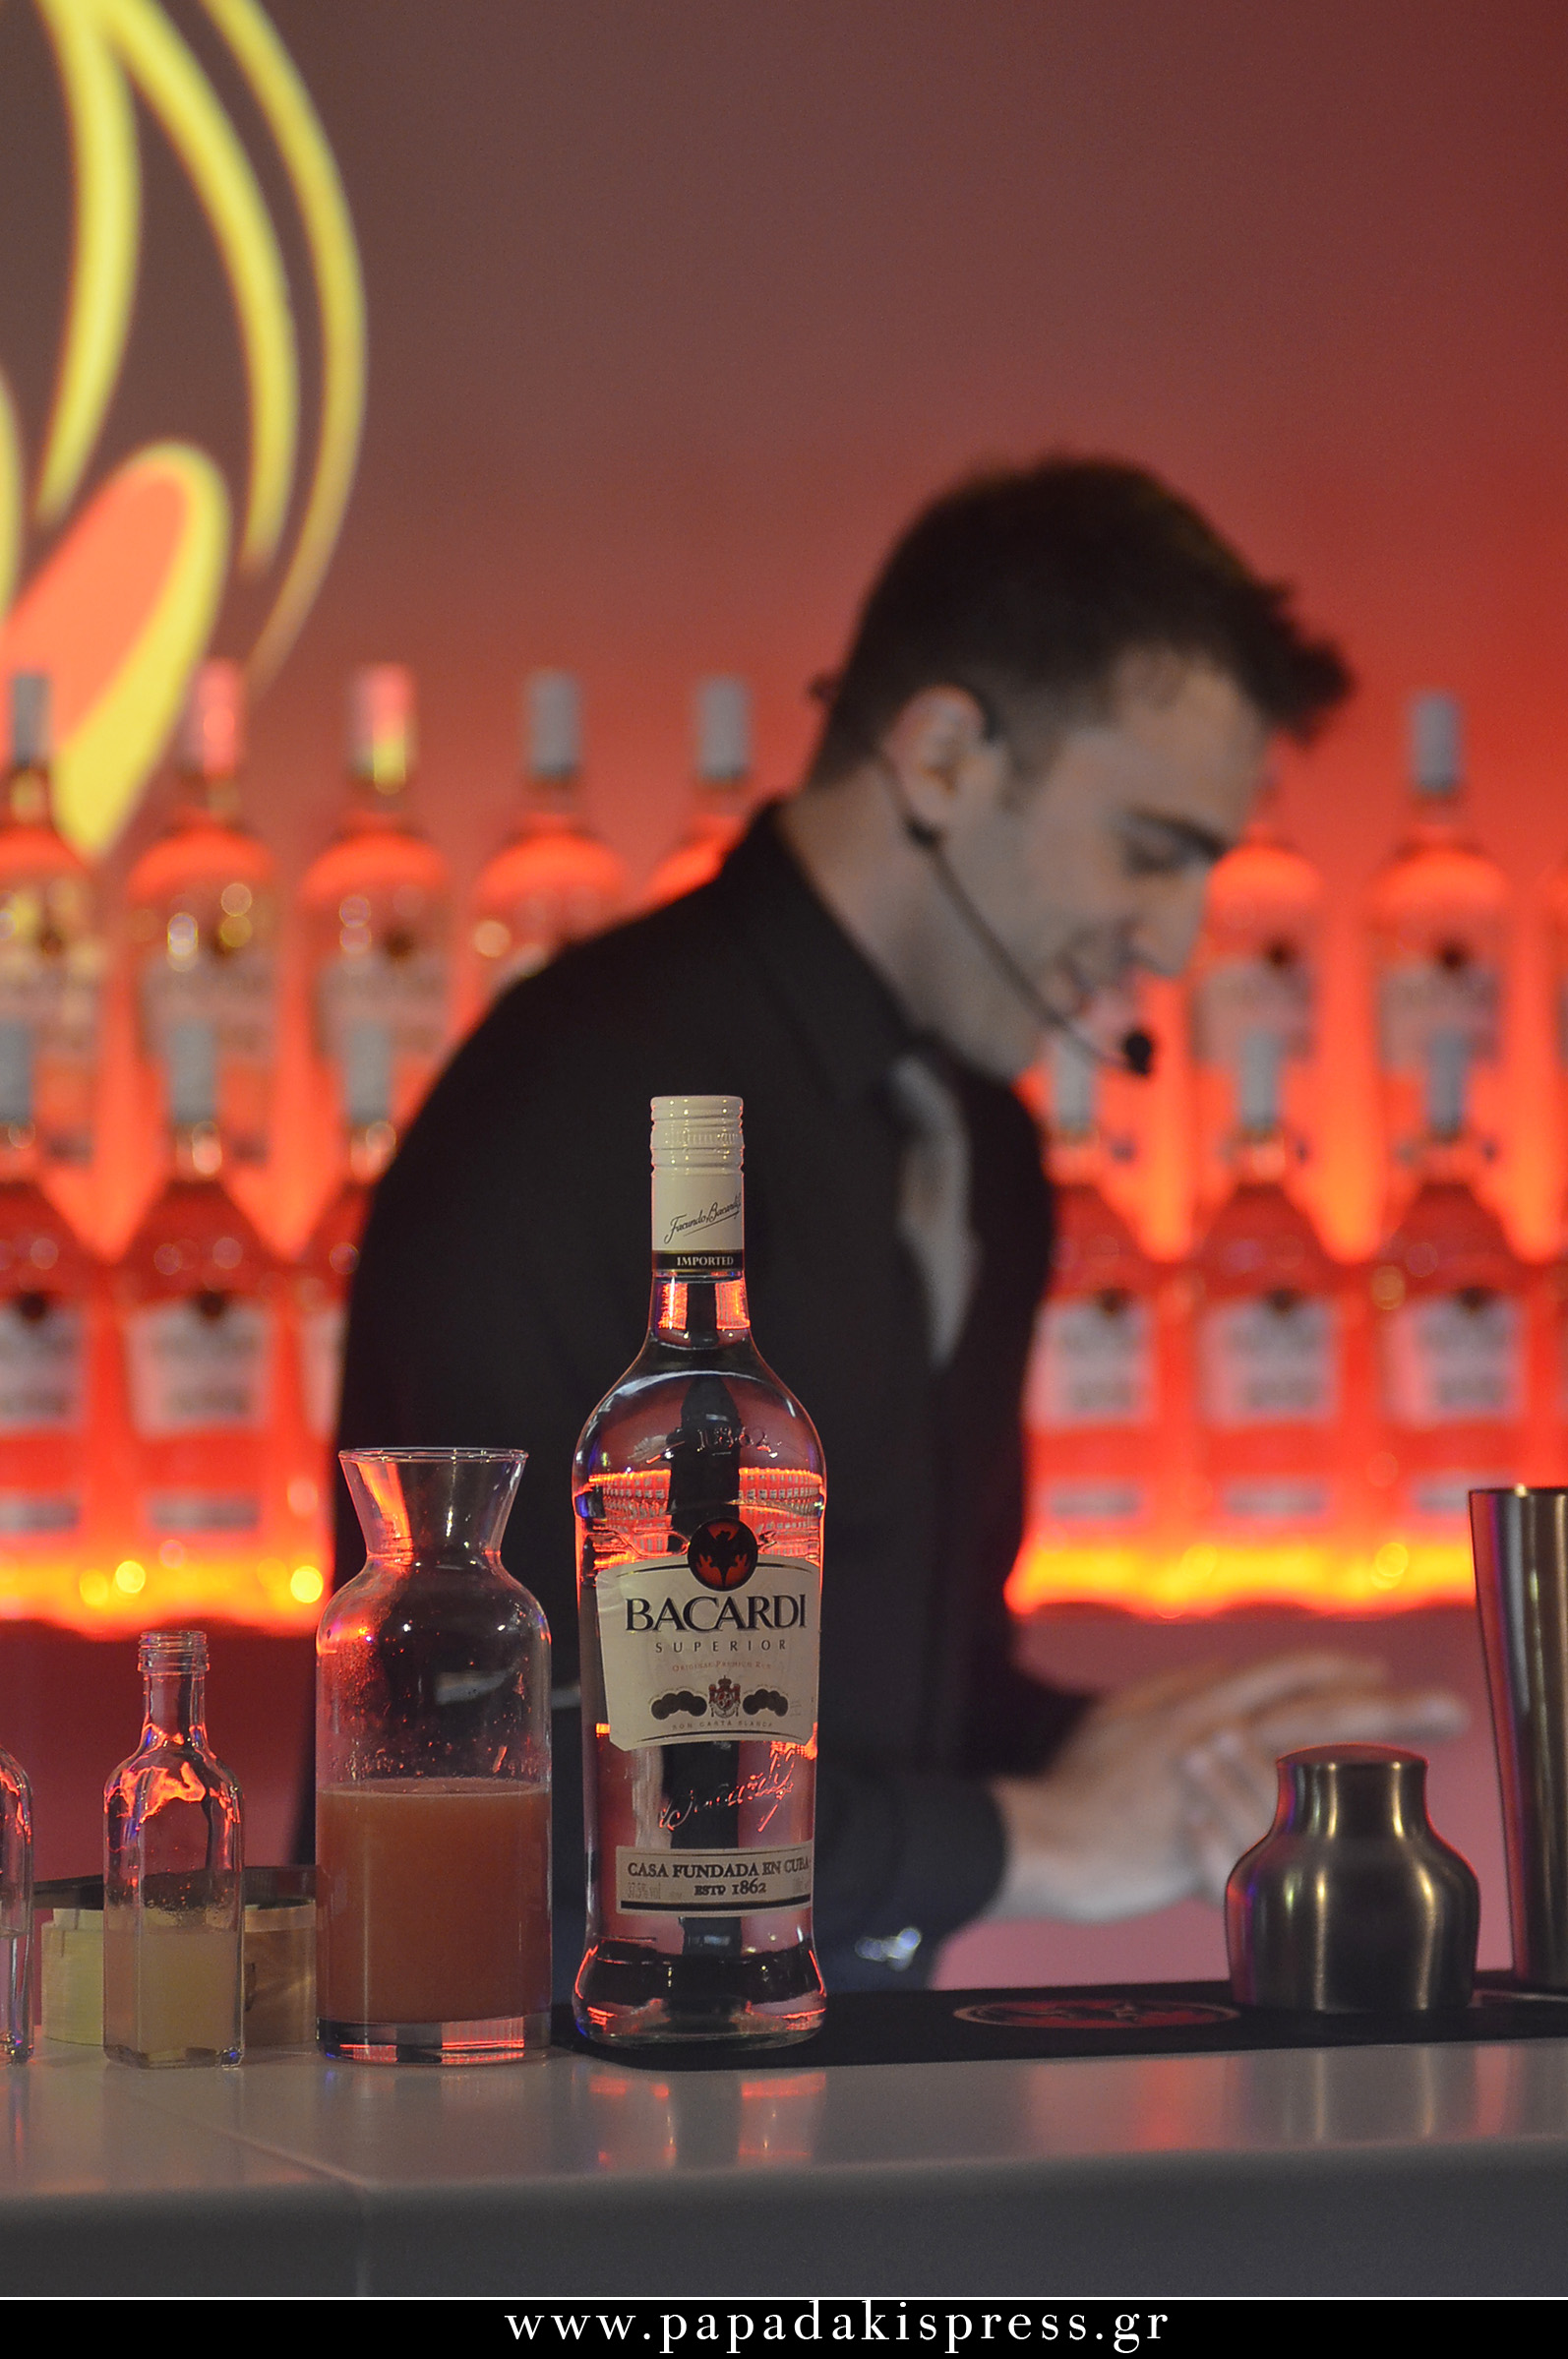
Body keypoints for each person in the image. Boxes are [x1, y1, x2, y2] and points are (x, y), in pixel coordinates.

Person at [332, 458, 1465, 1990]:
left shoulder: (984, 1147)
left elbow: (887, 1687)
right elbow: (489, 1743)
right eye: (1150, 851)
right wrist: (1030, 1842)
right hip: (522, 2085)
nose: (1176, 939)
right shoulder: (578, 1092)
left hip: (841, 2076)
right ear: (938, 759)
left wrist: (1157, 1757)